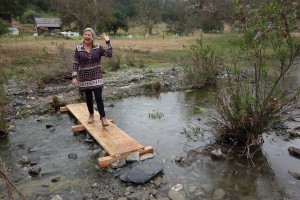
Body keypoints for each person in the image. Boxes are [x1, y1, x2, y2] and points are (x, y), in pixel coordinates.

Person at [71, 27, 112, 127]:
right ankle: (91, 115)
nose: (87, 36)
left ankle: (103, 118)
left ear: (93, 37)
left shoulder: (98, 48)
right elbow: (75, 63)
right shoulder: (78, 49)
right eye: (85, 35)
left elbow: (109, 54)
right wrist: (74, 77)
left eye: (89, 35)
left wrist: (108, 42)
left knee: (99, 97)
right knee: (88, 98)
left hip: (96, 76)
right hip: (85, 78)